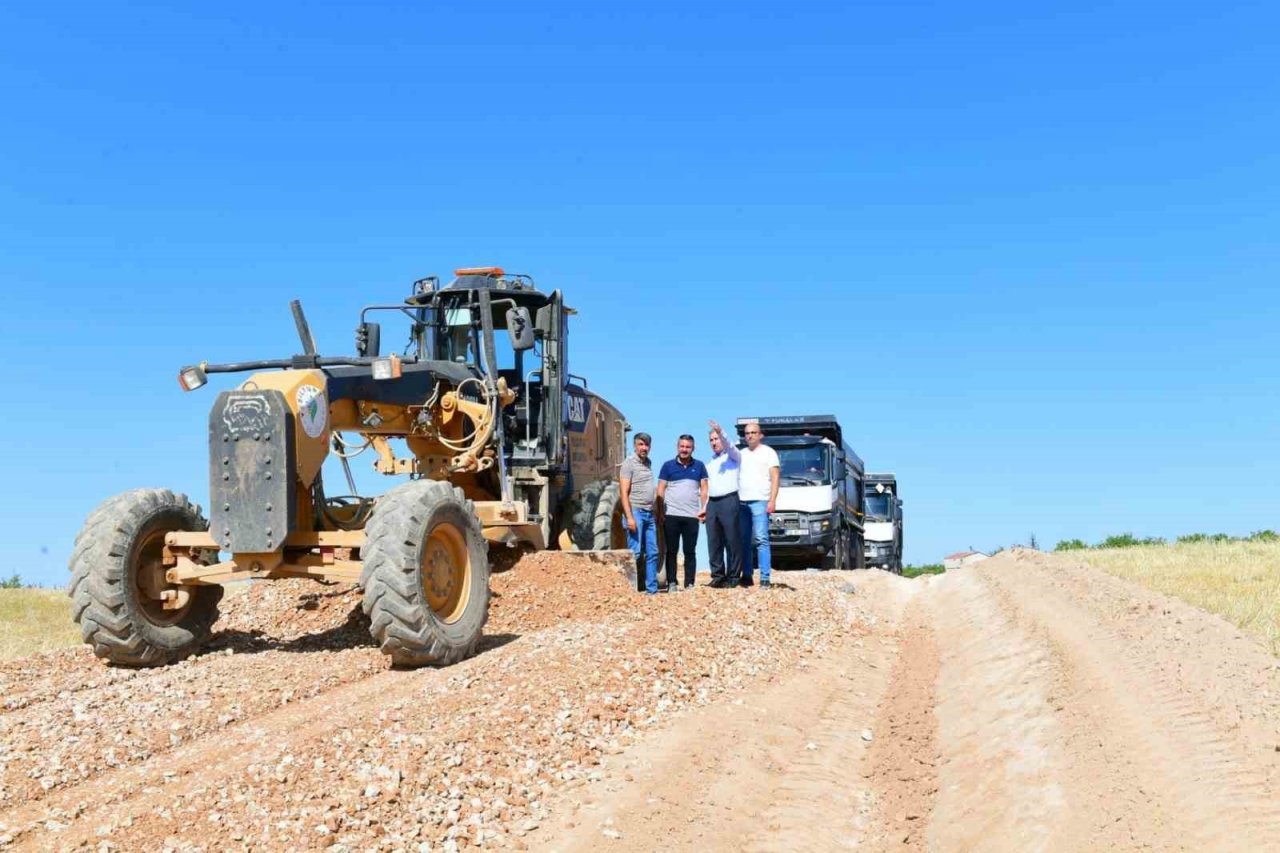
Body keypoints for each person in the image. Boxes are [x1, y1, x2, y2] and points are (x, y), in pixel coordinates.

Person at [656, 435, 708, 591]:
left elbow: (704, 489)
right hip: (671, 515)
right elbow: (660, 489)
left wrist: (704, 508)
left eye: (688, 447)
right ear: (677, 447)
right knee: (671, 551)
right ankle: (672, 582)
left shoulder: (699, 466)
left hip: (692, 516)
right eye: (682, 446)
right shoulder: (667, 466)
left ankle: (689, 583)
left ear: (693, 448)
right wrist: (660, 512)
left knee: (690, 551)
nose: (684, 449)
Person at [738, 420, 780, 588]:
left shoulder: (769, 453)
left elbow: (775, 478)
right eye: (747, 433)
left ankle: (764, 577)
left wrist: (772, 500)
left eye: (753, 433)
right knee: (744, 540)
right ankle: (747, 575)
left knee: (761, 538)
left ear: (760, 435)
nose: (750, 436)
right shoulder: (741, 454)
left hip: (761, 501)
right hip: (742, 501)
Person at [619, 432, 660, 595]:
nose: (644, 448)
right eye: (640, 444)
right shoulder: (628, 464)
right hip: (636, 512)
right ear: (634, 446)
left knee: (653, 552)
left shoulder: (648, 463)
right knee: (635, 553)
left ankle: (652, 590)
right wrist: (629, 517)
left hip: (649, 513)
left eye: (646, 445)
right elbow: (623, 492)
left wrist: (655, 510)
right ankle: (630, 590)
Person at [704, 419, 743, 588]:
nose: (714, 442)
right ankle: (718, 575)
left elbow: (730, 445)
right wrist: (704, 507)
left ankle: (733, 576)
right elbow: (705, 487)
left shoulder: (733, 457)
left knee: (731, 539)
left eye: (716, 439)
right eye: (711, 440)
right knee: (713, 540)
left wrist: (721, 431)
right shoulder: (709, 464)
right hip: (712, 503)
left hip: (729, 500)